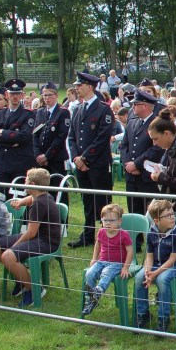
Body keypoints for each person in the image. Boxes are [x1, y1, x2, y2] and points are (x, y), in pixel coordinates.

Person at [0, 168, 61, 308]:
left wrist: (14, 246)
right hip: (37, 237)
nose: (24, 183)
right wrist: (20, 202)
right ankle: (21, 280)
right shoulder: (43, 195)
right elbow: (30, 198)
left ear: (32, 184)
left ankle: (34, 290)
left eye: (25, 181)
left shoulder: (39, 204)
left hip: (46, 242)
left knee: (7, 255)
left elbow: (31, 233)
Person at [67, 72, 114, 248]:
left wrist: (85, 158)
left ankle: (107, 237)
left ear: (89, 87)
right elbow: (72, 136)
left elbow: (102, 138)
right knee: (87, 200)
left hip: (97, 164)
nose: (77, 88)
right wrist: (76, 158)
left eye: (79, 85)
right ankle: (87, 235)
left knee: (102, 202)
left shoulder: (103, 109)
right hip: (81, 164)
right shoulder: (78, 109)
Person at [133, 199, 176, 332]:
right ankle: (143, 313)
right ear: (157, 221)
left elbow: (172, 259)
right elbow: (149, 256)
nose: (172, 217)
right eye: (167, 215)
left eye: (173, 213)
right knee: (139, 277)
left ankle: (163, 318)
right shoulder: (151, 232)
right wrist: (147, 272)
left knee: (162, 279)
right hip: (156, 264)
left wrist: (155, 274)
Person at [82, 203, 133, 317]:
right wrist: (94, 258)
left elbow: (130, 251)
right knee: (89, 273)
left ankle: (98, 291)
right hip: (101, 261)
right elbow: (97, 245)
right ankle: (90, 300)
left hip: (116, 263)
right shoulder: (101, 232)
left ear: (119, 221)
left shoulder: (124, 235)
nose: (108, 223)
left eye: (112, 220)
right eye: (105, 220)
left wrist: (126, 267)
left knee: (106, 273)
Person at [119, 88, 162, 217]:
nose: (132, 107)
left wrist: (137, 164)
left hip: (147, 177)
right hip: (131, 177)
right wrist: (128, 165)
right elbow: (124, 145)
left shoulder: (157, 123)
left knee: (150, 215)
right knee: (133, 214)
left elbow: (156, 149)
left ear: (144, 106)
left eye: (135, 104)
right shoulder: (132, 122)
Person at [0, 79, 35, 189]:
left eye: (18, 94)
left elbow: (24, 136)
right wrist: (13, 139)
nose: (15, 97)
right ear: (7, 95)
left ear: (22, 95)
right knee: (1, 194)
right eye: (12, 94)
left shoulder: (28, 114)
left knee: (18, 195)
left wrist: (3, 133)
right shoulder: (0, 114)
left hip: (20, 162)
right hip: (3, 162)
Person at [33, 83, 70, 204]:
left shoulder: (63, 113)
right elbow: (35, 134)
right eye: (45, 95)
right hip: (41, 159)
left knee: (58, 190)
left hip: (56, 158)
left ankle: (61, 214)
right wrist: (38, 154)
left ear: (56, 95)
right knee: (41, 191)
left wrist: (47, 156)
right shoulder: (40, 112)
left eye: (50, 95)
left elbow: (61, 137)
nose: (47, 98)